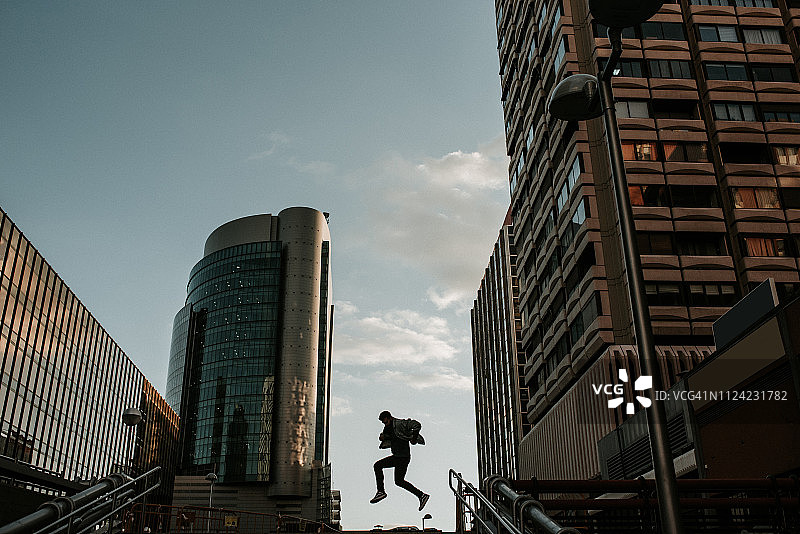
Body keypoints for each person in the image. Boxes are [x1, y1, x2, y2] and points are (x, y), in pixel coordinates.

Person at [370, 410, 430, 511]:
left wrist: (414, 438)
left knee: (398, 480)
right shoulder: (387, 428)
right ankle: (381, 492)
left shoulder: (400, 423)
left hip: (403, 457)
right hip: (396, 457)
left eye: (385, 421)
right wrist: (383, 437)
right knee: (380, 467)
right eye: (383, 423)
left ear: (389, 417)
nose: (384, 424)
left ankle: (421, 495)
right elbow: (385, 437)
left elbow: (417, 425)